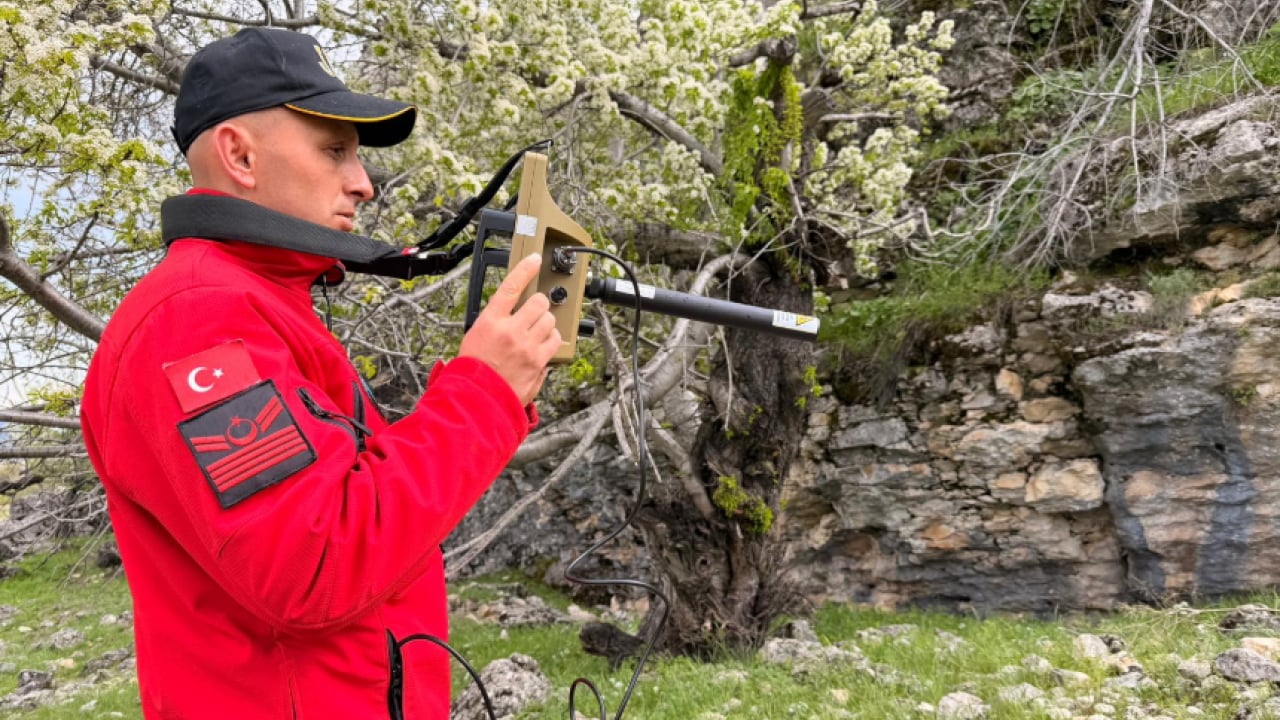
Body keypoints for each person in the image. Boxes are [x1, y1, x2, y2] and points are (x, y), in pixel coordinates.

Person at [79, 27, 561, 719]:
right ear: (239, 155)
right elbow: (312, 567)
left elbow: (357, 506)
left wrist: (488, 394)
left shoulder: (261, 302)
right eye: (334, 150)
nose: (363, 182)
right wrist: (480, 396)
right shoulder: (197, 320)